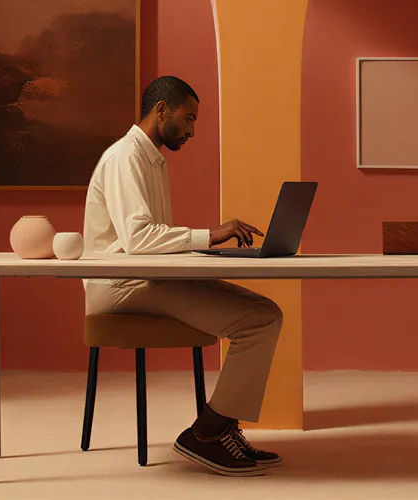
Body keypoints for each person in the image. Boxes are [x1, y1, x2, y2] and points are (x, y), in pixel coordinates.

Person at [83, 75, 284, 477]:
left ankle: (223, 427)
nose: (192, 130)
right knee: (258, 321)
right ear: (161, 110)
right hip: (122, 285)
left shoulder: (150, 158)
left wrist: (205, 252)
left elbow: (153, 242)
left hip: (146, 278)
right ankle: (206, 434)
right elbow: (139, 239)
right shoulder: (126, 157)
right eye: (187, 118)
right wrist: (211, 235)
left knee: (266, 312)